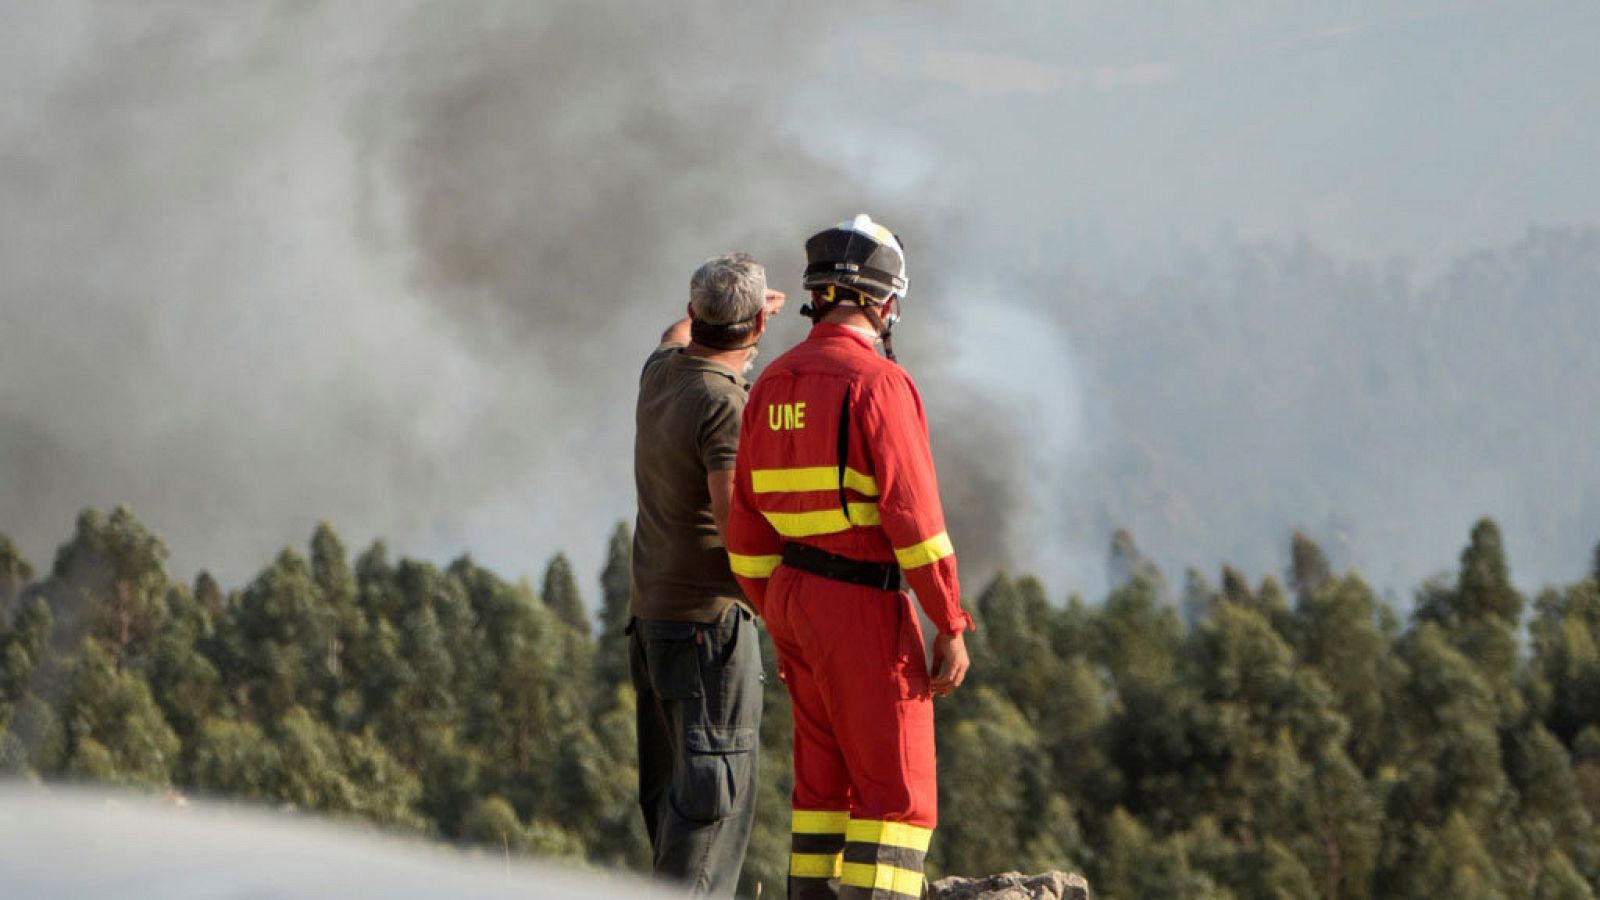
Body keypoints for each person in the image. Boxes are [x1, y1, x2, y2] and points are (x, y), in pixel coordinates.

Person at [726, 215, 974, 900]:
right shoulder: (880, 384)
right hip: (863, 605)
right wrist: (949, 621)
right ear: (882, 302)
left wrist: (779, 614)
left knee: (822, 790)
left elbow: (744, 531)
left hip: (793, 603)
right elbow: (916, 523)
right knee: (896, 796)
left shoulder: (771, 381)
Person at [628, 252, 784, 897]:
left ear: (695, 314)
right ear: (758, 329)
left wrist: (730, 312)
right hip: (708, 636)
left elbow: (674, 336)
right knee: (707, 820)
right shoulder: (725, 405)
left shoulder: (662, 374)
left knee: (672, 810)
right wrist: (785, 608)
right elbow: (734, 527)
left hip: (652, 625)